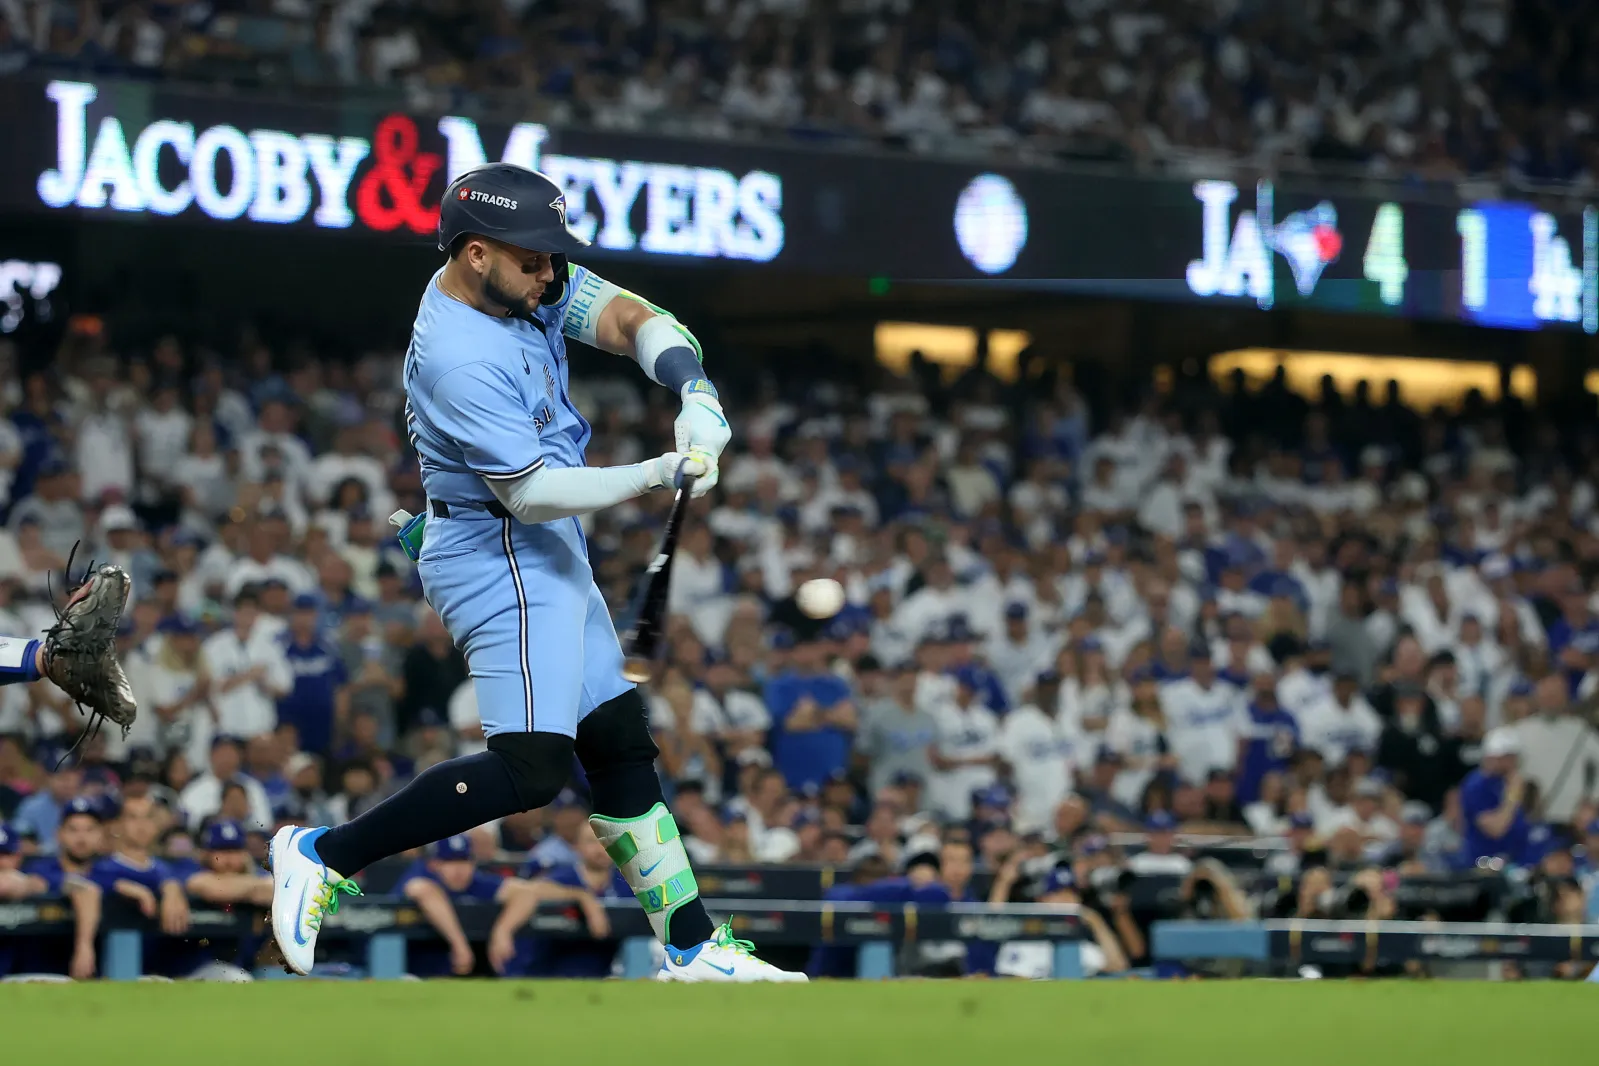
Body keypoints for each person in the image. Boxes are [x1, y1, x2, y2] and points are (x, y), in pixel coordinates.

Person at [268, 163, 801, 982]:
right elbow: (531, 495)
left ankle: (693, 951)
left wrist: (694, 390)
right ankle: (323, 854)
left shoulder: (515, 282)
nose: (552, 274)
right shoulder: (457, 355)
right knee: (531, 770)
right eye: (535, 260)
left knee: (620, 745)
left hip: (541, 551)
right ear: (476, 253)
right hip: (498, 553)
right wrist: (660, 470)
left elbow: (632, 317)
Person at [398, 834, 525, 977]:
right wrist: (459, 945)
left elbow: (523, 892)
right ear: (433, 864)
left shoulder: (475, 882)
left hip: (464, 970)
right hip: (412, 969)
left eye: (464, 861)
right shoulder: (423, 874)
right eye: (449, 862)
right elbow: (422, 890)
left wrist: (503, 932)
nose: (458, 869)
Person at [10, 797, 104, 979]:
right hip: (36, 972)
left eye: (89, 830)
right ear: (58, 834)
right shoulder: (40, 868)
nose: (81, 838)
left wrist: (169, 887)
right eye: (73, 830)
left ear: (100, 835)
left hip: (97, 975)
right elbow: (81, 888)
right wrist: (84, 947)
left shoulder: (107, 870)